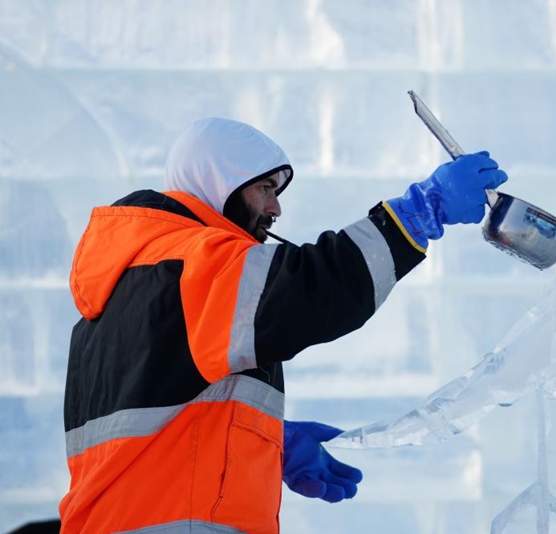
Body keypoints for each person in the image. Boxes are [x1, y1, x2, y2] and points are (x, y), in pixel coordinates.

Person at [59, 117, 508, 533]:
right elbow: (316, 289)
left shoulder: (125, 293)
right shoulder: (190, 265)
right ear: (221, 184)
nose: (275, 208)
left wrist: (265, 439)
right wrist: (420, 212)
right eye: (264, 188)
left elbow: (161, 420)